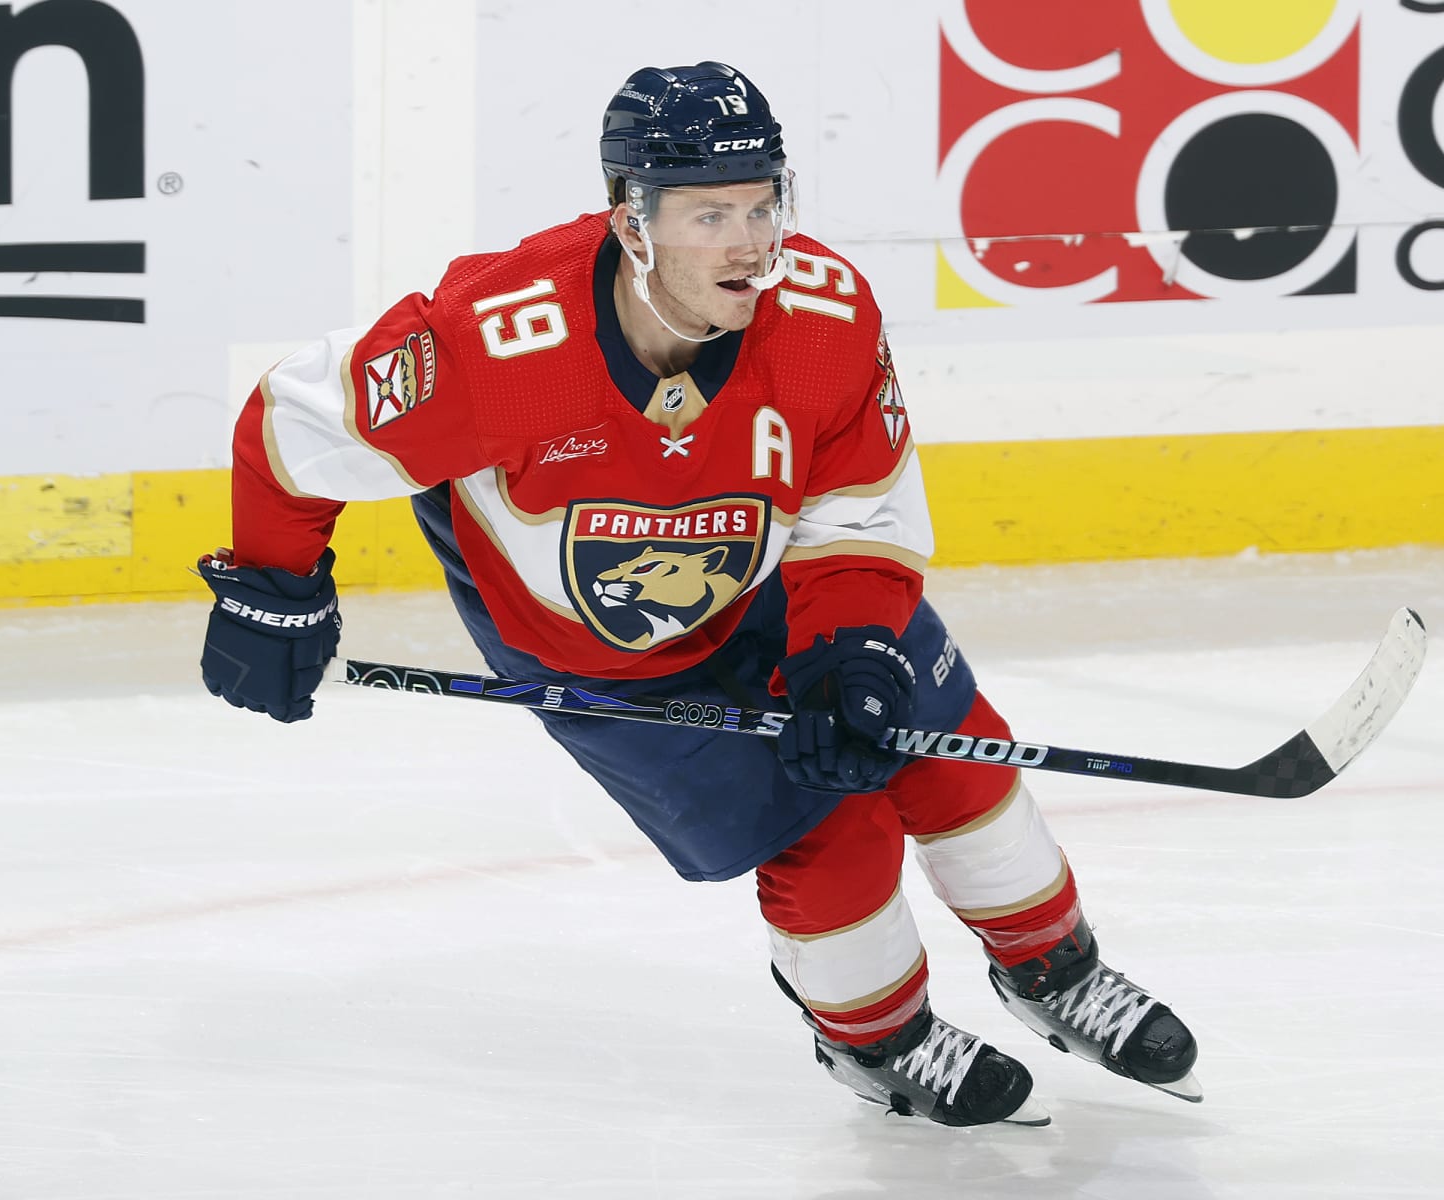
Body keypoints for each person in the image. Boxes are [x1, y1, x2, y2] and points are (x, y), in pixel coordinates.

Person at [196, 61, 1199, 1128]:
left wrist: (849, 647)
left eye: (763, 205)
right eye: (709, 213)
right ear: (632, 217)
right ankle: (880, 1039)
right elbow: (298, 427)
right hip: (596, 655)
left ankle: (1054, 969)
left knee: (954, 754)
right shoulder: (502, 340)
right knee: (827, 830)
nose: (750, 241)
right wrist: (274, 588)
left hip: (776, 586)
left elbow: (858, 505)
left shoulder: (822, 314)